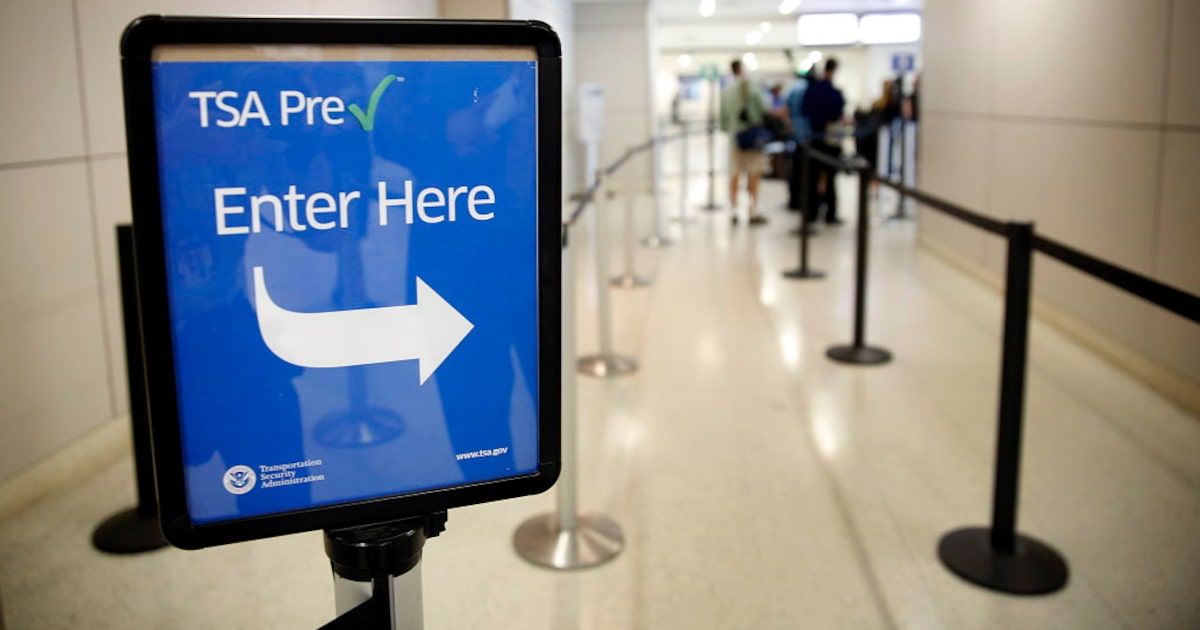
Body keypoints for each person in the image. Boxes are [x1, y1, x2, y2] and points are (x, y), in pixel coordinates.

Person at [718, 59, 769, 225]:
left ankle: (734, 209)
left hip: (735, 139)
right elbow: (765, 109)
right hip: (753, 139)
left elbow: (723, 120)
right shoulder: (753, 87)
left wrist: (732, 129)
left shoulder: (726, 90)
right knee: (754, 174)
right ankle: (752, 210)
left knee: (734, 173)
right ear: (743, 69)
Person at [801, 58, 847, 225]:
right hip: (829, 139)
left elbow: (804, 109)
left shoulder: (812, 89)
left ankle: (812, 213)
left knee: (813, 178)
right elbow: (838, 112)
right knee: (830, 177)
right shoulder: (833, 92)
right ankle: (830, 214)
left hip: (814, 138)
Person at [782, 70, 811, 212]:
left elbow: (785, 110)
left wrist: (789, 126)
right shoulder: (808, 87)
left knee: (795, 169)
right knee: (807, 171)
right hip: (808, 135)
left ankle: (794, 200)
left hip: (796, 135)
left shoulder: (793, 88)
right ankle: (804, 201)